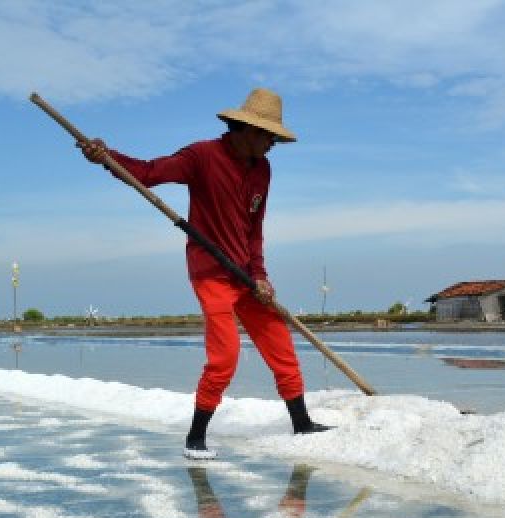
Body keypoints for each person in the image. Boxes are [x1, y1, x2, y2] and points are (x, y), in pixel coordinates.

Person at [77, 88, 331, 460]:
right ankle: (196, 437)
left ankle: (302, 423)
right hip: (211, 271)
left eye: (276, 136)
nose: (273, 143)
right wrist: (105, 157)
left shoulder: (263, 170)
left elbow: (254, 229)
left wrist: (260, 274)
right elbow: (148, 173)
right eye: (268, 135)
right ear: (246, 129)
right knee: (224, 356)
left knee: (280, 343)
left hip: (246, 276)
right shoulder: (202, 156)